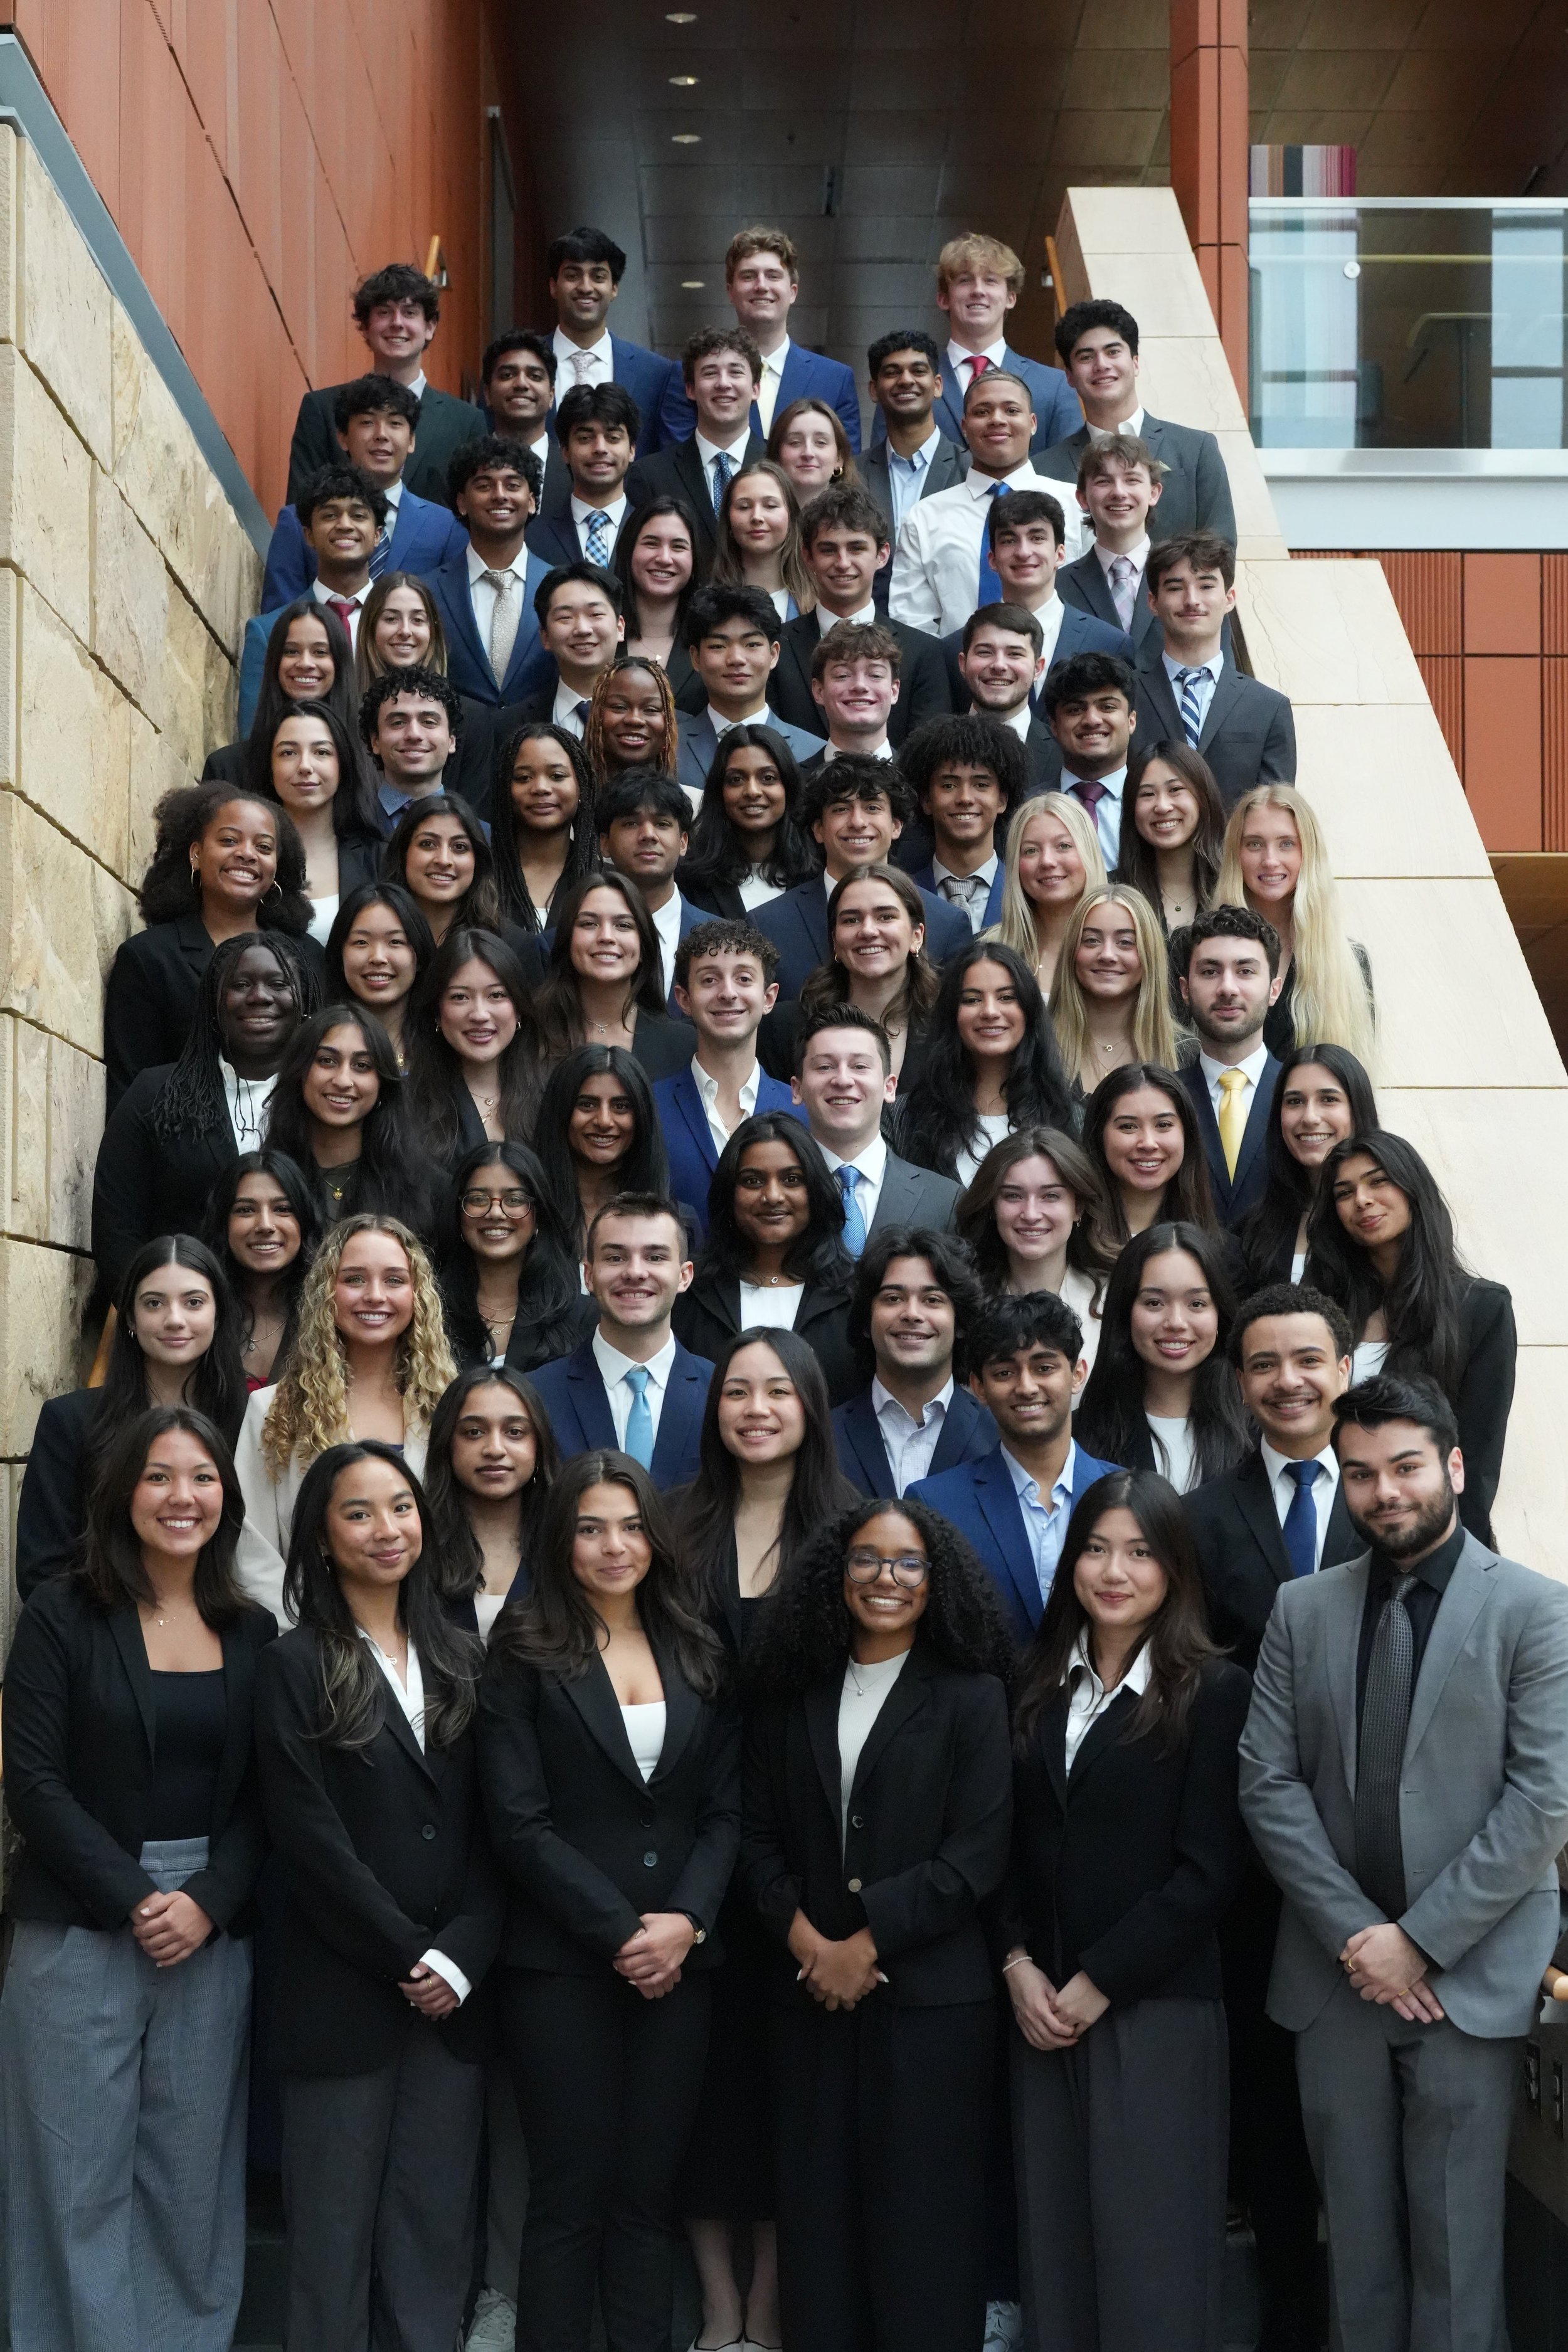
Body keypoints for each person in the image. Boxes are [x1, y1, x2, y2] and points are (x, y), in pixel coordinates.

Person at [1239, 1372, 1568, 2352]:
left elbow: (1542, 1800)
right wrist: (1362, 1937)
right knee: (1356, 2249)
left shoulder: (1538, 1610)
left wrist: (1420, 1941)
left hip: (1470, 1975)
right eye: (1361, 1473)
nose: (1385, 1491)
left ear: (1455, 1466)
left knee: (1458, 2246)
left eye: (1406, 1466)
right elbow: (1267, 1783)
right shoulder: (1303, 1608)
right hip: (1333, 1975)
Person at [0, 1406, 277, 2352]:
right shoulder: (63, 1613)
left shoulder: (253, 1629)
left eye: (202, 1477)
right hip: (80, 1921)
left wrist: (208, 1900)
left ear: (226, 1495)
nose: (181, 1497)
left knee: (189, 2175)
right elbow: (33, 1780)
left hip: (211, 1924)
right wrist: (133, 1895)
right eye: (158, 1476)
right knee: (71, 2172)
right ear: (121, 1492)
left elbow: (271, 1794)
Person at [477, 1449, 738, 2352]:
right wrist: (622, 1931)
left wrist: (688, 1921)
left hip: (682, 1964)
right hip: (560, 1962)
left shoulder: (698, 1643)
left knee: (646, 2196)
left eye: (630, 1526)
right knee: (568, 2195)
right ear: (562, 1540)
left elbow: (726, 1810)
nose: (613, 1546)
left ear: (656, 1538)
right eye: (590, 1528)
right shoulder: (522, 1647)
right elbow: (518, 1823)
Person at [741, 1492, 1014, 2352]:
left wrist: (866, 1942)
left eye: (907, 1562)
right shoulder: (789, 1693)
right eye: (865, 1558)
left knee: (924, 2230)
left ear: (937, 1582)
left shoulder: (973, 1697)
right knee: (816, 2226)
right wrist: (807, 1942)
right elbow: (753, 1836)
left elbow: (977, 1853)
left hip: (930, 2007)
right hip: (807, 1997)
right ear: (836, 1572)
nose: (884, 1577)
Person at [254, 1441, 499, 2352]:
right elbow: (308, 1837)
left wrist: (460, 1952)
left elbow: (498, 1826)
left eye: (400, 1507)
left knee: (434, 2229)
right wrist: (407, 1951)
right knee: (331, 2238)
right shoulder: (293, 1663)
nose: (385, 1528)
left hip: (454, 1997)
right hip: (343, 1989)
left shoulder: (464, 1656)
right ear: (322, 1538)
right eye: (357, 1513)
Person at [1004, 1468, 1249, 2352]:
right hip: (1039, 2005)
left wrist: (1100, 1979)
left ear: (1174, 1568)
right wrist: (1017, 1964)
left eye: (1141, 1552)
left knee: (1153, 2252)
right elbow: (1005, 1844)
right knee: (1056, 2247)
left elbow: (1209, 1871)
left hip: (1156, 2007)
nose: (1115, 1571)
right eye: (1097, 1549)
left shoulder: (1212, 1690)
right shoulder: (1035, 1680)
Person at [1184, 1283, 1360, 2352]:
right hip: (1256, 1863)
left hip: (1391, 1857)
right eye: (1263, 1364)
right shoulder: (1206, 1516)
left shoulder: (1399, 1493)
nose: (1287, 1381)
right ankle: (1292, 2321)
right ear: (1240, 1382)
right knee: (1272, 2100)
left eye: (1306, 1360)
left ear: (1344, 1368)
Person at [674, 1330, 857, 2352]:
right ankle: (717, 2304)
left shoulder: (851, 1529)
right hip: (692, 1838)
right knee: (707, 2090)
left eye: (777, 1390)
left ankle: (776, 2304)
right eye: (737, 1391)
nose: (755, 1408)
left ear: (811, 1405)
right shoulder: (674, 1523)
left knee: (797, 2090)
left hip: (805, 1846)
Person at [235, 1214, 457, 1621]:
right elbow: (251, 1546)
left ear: (418, 1295)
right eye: (354, 1279)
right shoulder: (273, 1409)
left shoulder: (449, 1408)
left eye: (394, 1280)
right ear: (327, 1293)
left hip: (430, 1633)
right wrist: (305, 1634)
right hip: (308, 1635)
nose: (375, 1295)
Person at [1310, 1130, 1517, 1543]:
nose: (1362, 1200)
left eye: (1378, 1181)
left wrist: (1454, 1562)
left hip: (1430, 1538)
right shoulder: (1323, 1307)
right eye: (1344, 1193)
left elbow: (1477, 1461)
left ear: (1412, 1187)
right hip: (1325, 1533)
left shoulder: (1481, 1308)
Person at [15, 1236, 249, 1599]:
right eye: (154, 1303)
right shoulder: (70, 1421)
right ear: (129, 1318)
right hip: (95, 1625)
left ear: (218, 1316)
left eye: (194, 1302)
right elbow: (42, 1571)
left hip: (222, 1619)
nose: (175, 1320)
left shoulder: (251, 1421)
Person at [93, 930, 319, 1293]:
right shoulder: (155, 1095)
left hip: (307, 1314)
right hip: (184, 1315)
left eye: (278, 984)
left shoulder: (329, 1097)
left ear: (303, 999)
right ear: (214, 1001)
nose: (259, 997)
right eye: (240, 985)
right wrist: (155, 1309)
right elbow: (117, 1227)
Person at [911, 1290, 1120, 1650]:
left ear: (1077, 1374)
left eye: (1044, 1368)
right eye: (1005, 1372)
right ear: (979, 1387)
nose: (1026, 1387)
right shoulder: (934, 1505)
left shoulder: (1124, 1493)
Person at [103, 781, 316, 1113]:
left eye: (264, 847)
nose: (247, 854)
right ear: (196, 854)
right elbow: (130, 1091)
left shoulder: (308, 957)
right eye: (229, 840)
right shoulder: (149, 958)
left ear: (276, 865)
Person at [529, 1194, 713, 1490]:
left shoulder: (720, 1391)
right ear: (589, 1276)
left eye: (655, 1257)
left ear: (684, 1276)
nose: (635, 1272)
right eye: (616, 1258)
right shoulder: (536, 1395)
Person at [674, 1115, 857, 1404]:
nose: (772, 1196)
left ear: (815, 1191)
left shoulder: (854, 1296)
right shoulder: (692, 1293)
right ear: (729, 1193)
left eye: (792, 1180)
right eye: (753, 1181)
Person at [756, 757, 969, 1000]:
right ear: (818, 829)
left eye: (872, 808)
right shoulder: (768, 923)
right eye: (841, 809)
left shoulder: (946, 922)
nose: (857, 822)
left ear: (896, 826)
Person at [889, 369, 1078, 637]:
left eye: (1011, 410)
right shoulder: (925, 517)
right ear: (964, 427)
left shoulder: (1075, 505)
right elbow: (911, 623)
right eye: (982, 412)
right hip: (956, 662)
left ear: (1033, 423)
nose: (997, 420)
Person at [285, 262, 485, 508]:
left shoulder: (466, 422)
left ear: (430, 327)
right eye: (384, 312)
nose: (397, 323)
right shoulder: (321, 409)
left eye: (410, 313)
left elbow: (475, 513)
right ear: (365, 327)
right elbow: (300, 509)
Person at [767, 481, 951, 743]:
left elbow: (928, 752)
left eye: (856, 548)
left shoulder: (923, 652)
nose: (843, 563)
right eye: (828, 550)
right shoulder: (778, 648)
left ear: (882, 555)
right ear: (807, 557)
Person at [262, 374, 468, 608]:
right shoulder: (297, 520)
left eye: (395, 423)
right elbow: (279, 617)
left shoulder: (446, 527)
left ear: (412, 440)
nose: (381, 435)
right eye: (367, 422)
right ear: (343, 438)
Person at [1040, 300, 1237, 544]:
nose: (1101, 365)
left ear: (1135, 362)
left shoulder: (1196, 451)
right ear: (1069, 375)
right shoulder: (1044, 470)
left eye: (1113, 352)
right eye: (1086, 357)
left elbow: (1221, 546)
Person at [1075, 1223, 1249, 1493]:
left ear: (1219, 1314)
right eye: (1154, 1303)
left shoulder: (1258, 1432)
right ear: (1125, 1312)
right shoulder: (1079, 1437)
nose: (1176, 1322)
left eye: (1196, 1304)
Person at [657, 918, 802, 1234]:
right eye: (709, 980)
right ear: (684, 1000)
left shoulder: (802, 1111)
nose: (728, 993)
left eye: (744, 979)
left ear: (769, 998)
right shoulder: (650, 1107)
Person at [1217, 784, 1376, 1066]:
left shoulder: (1349, 963)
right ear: (1236, 854)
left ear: (1308, 853)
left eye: (1286, 844)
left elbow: (1354, 1077)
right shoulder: (1197, 951)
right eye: (1254, 844)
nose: (1270, 860)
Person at [830, 1227, 995, 1497]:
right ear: (866, 1321)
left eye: (932, 1300)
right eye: (893, 1298)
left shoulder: (999, 1435)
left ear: (961, 1323)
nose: (912, 1314)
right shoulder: (823, 1437)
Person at [892, 943, 1074, 1186]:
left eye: (1006, 998)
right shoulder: (903, 1118)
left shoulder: (1070, 1116)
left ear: (1029, 1010)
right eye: (972, 1000)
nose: (990, 1011)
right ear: (952, 1014)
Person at [1135, 536, 1296, 808]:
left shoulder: (1269, 708)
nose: (1192, 600)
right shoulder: (1127, 696)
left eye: (1206, 586)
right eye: (1175, 588)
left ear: (1229, 598)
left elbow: (1274, 812)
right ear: (1153, 602)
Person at [791, 1009, 962, 1253]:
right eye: (825, 1067)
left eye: (860, 1066)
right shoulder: (772, 1194)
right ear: (797, 1089)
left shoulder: (944, 1200)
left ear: (889, 1087)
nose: (843, 1080)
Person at [956, 1126, 1120, 1379]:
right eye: (1013, 1196)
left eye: (1050, 1196)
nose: (1031, 1214)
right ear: (991, 1207)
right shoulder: (962, 1301)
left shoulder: (1116, 1299)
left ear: (1078, 1208)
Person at [261, 1005, 435, 1229]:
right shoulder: (263, 1181)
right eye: (327, 1061)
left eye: (362, 1066)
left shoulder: (425, 1187)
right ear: (299, 1071)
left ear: (382, 1083)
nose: (343, 1081)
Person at [437, 1140, 597, 1378]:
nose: (495, 1213)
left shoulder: (581, 1315)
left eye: (514, 1200)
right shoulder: (429, 1310)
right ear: (458, 1212)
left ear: (538, 1215)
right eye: (478, 1199)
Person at [422, 1365, 563, 1634]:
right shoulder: (417, 1544)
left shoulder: (567, 1543)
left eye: (515, 1432)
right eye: (474, 1432)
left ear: (539, 1444)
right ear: (447, 1443)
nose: (495, 1449)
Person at [953, 490, 1133, 700]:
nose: (1023, 552)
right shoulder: (955, 647)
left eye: (1037, 538)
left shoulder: (1110, 644)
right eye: (1009, 540)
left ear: (1060, 554)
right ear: (992, 559)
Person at [239, 466, 386, 722]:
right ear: (308, 535)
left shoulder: (405, 629)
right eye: (330, 516)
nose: (345, 525)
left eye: (358, 515)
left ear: (377, 535)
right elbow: (254, 734)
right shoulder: (267, 632)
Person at [913, 232, 1083, 452]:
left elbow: (1070, 468)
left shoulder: (1055, 386)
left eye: (990, 280)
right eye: (965, 280)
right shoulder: (911, 386)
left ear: (1011, 298)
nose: (978, 291)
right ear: (944, 298)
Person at [522, 870, 696, 1083]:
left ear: (643, 947)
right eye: (589, 924)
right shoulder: (527, 1034)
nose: (606, 937)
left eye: (623, 925)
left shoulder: (683, 1044)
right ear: (568, 940)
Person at [1175, 904, 1286, 1229]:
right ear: (1185, 990)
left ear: (1274, 990)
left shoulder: (1301, 1098)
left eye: (1245, 971)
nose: (1227, 988)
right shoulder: (1165, 1099)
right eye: (1210, 972)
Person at [352, 571, 499, 814]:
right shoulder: (344, 712)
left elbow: (474, 816)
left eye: (418, 620)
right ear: (370, 630)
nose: (405, 631)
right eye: (391, 619)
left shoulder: (472, 719)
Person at [1236, 1044, 1380, 1290]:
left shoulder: (1386, 1211)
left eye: (1329, 1099)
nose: (1310, 1117)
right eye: (1295, 1101)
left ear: (1358, 1109)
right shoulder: (1254, 1229)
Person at [626, 327, 766, 572]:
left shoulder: (780, 465)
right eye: (710, 373)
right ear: (690, 389)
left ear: (755, 388)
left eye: (735, 372)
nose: (723, 383)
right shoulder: (649, 476)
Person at [789, 862, 940, 1089]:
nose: (868, 931)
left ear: (916, 936)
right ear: (835, 940)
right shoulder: (789, 1027)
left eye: (886, 917)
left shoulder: (948, 1023)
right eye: (852, 920)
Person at [428, 438, 554, 709]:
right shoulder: (427, 592)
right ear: (462, 503)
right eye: (484, 486)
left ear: (532, 501)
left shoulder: (560, 587)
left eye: (513, 485)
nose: (500, 495)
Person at [248, 699, 386, 943]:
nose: (305, 766)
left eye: (321, 752)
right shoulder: (245, 854)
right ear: (270, 768)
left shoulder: (378, 858)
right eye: (288, 753)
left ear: (342, 765)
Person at [543, 224, 686, 456]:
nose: (586, 287)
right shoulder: (519, 367)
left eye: (598, 277)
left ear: (614, 289)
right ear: (553, 286)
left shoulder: (658, 374)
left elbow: (669, 461)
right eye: (572, 276)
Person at [675, 583, 826, 802]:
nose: (736, 659)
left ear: (774, 654)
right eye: (718, 646)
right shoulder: (668, 747)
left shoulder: (814, 751)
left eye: (752, 644)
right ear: (696, 658)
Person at [403, 925, 537, 1162]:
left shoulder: (550, 1099)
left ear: (518, 1009)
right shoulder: (404, 1104)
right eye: (460, 997)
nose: (479, 1015)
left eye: (496, 995)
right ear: (437, 1012)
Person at [531, 1046, 675, 1260]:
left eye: (621, 1106)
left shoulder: (677, 1223)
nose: (604, 1121)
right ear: (561, 1112)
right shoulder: (527, 1213)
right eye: (587, 1105)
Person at [724, 225, 861, 450]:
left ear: (793, 292)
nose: (761, 286)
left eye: (773, 276)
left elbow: (845, 465)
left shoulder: (836, 380)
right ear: (731, 292)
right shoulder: (697, 377)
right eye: (749, 276)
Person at [861, 330, 970, 603]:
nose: (906, 380)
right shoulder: (851, 475)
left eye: (918, 371)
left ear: (938, 385)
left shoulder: (971, 470)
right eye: (892, 372)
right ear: (874, 390)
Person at [202, 1150, 323, 1391]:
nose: (266, 1225)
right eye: (246, 1210)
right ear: (224, 1222)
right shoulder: (197, 1312)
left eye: (282, 1209)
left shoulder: (330, 1313)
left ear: (304, 1220)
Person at [205, 596, 357, 788]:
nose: (305, 663)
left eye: (320, 652)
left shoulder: (369, 763)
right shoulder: (226, 768)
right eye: (291, 651)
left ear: (339, 664)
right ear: (275, 662)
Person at [1049, 885, 1185, 1098]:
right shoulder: (1036, 1046)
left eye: (1125, 942)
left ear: (1149, 955)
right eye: (1092, 940)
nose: (1107, 955)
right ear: (1072, 951)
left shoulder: (1185, 1053)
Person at [901, 710, 1027, 935]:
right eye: (949, 785)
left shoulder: (1028, 893)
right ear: (926, 801)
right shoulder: (900, 896)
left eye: (981, 785)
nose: (965, 798)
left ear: (1002, 800)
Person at [677, 725, 818, 920]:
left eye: (768, 778)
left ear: (789, 787)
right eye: (736, 780)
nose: (752, 791)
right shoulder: (688, 880)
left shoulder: (819, 873)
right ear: (719, 791)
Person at [1083, 1064, 1222, 1246]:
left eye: (1163, 1125)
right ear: (1099, 1135)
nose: (1148, 1143)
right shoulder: (1065, 1243)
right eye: (1128, 1126)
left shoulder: (1222, 1252)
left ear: (1187, 1134)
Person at [595, 767, 703, 999]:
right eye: (631, 824)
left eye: (662, 824)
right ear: (605, 843)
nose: (648, 835)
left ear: (683, 842)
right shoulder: (571, 940)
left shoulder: (722, 938)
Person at [985, 792, 1106, 996]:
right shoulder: (989, 953)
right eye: (1031, 850)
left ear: (1089, 853)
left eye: (1064, 846)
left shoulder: (1123, 952)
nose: (1047, 861)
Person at [1056, 433, 1167, 654]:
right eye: (1104, 482)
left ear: (1154, 493)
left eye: (1132, 480)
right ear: (1083, 498)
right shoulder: (1058, 587)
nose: (1118, 492)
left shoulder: (1183, 580)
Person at [490, 721, 600, 938]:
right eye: (524, 778)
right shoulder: (479, 876)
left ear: (581, 786)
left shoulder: (605, 882)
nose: (541, 788)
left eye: (557, 776)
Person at [1040, 650, 1141, 876]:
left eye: (1107, 707)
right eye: (1075, 710)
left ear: (1131, 720)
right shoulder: (1026, 808)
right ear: (1054, 726)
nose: (1092, 720)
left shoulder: (1158, 808)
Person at [526, 382, 644, 573]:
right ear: (565, 451)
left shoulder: (650, 532)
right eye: (585, 439)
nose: (600, 448)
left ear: (632, 450)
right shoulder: (533, 535)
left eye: (613, 438)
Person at [1117, 740, 1226, 936]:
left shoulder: (1236, 887)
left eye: (1175, 790)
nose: (1162, 806)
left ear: (1203, 797)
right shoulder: (1113, 892)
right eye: (1148, 794)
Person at [323, 880, 437, 1066]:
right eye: (361, 942)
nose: (378, 958)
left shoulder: (446, 1045)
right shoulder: (317, 1046)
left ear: (419, 956)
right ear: (339, 955)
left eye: (395, 942)